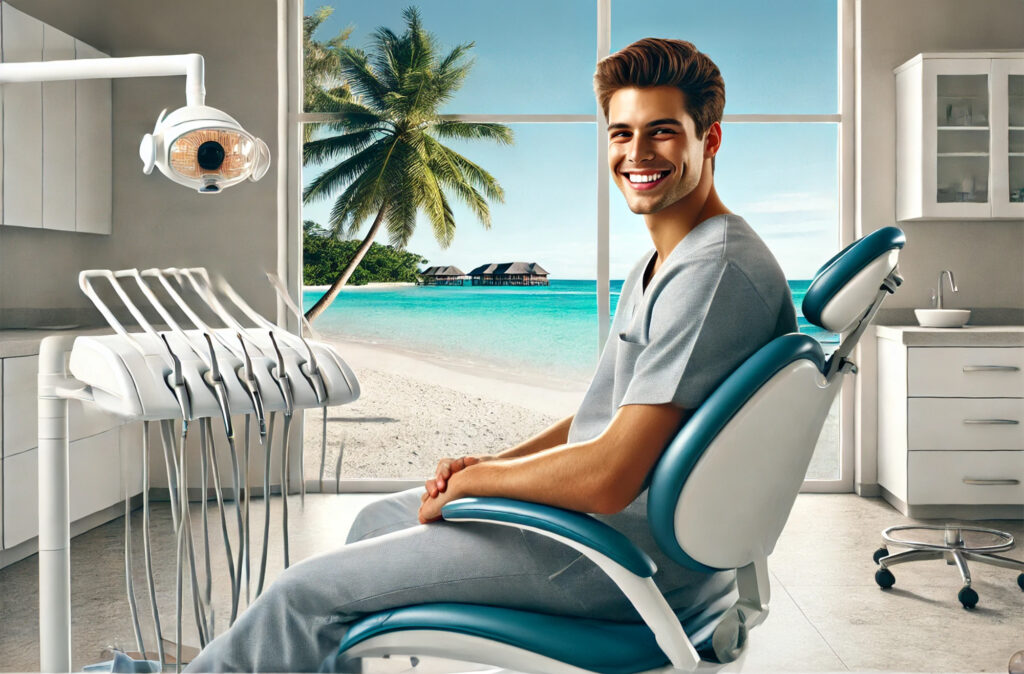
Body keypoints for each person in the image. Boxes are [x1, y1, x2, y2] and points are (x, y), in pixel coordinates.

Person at [184, 37, 796, 673]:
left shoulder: (713, 273)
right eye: (621, 133)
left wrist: (478, 484)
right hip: (616, 537)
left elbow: (610, 477)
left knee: (300, 598)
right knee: (375, 519)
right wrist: (492, 463)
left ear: (711, 139)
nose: (636, 154)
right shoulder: (667, 262)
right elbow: (607, 417)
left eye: (662, 132)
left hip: (613, 559)